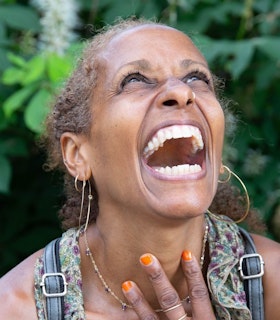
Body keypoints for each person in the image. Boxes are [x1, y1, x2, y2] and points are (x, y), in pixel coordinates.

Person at [0, 17, 280, 320]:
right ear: (78, 154)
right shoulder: (15, 307)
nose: (181, 92)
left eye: (197, 78)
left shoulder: (272, 285)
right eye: (134, 79)